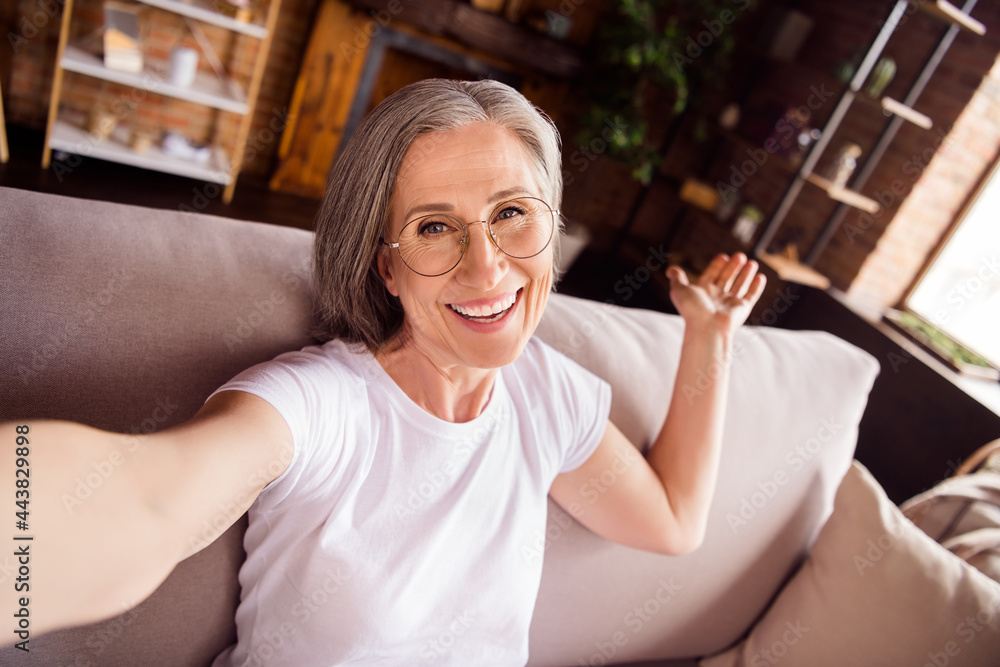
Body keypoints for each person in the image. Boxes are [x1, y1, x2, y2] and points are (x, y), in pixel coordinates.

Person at [2, 79, 764, 665]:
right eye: (435, 227)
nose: (487, 264)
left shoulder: (548, 393)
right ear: (388, 270)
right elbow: (147, 501)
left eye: (512, 213)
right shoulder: (322, 402)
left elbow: (672, 520)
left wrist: (712, 335)